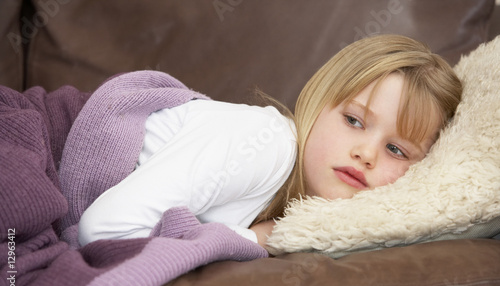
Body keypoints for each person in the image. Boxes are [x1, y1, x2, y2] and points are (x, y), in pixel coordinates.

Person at [78, 34, 462, 249]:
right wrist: (256, 239)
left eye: (396, 150)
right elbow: (105, 231)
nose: (366, 154)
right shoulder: (268, 143)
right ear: (318, 99)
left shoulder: (310, 214)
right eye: (353, 120)